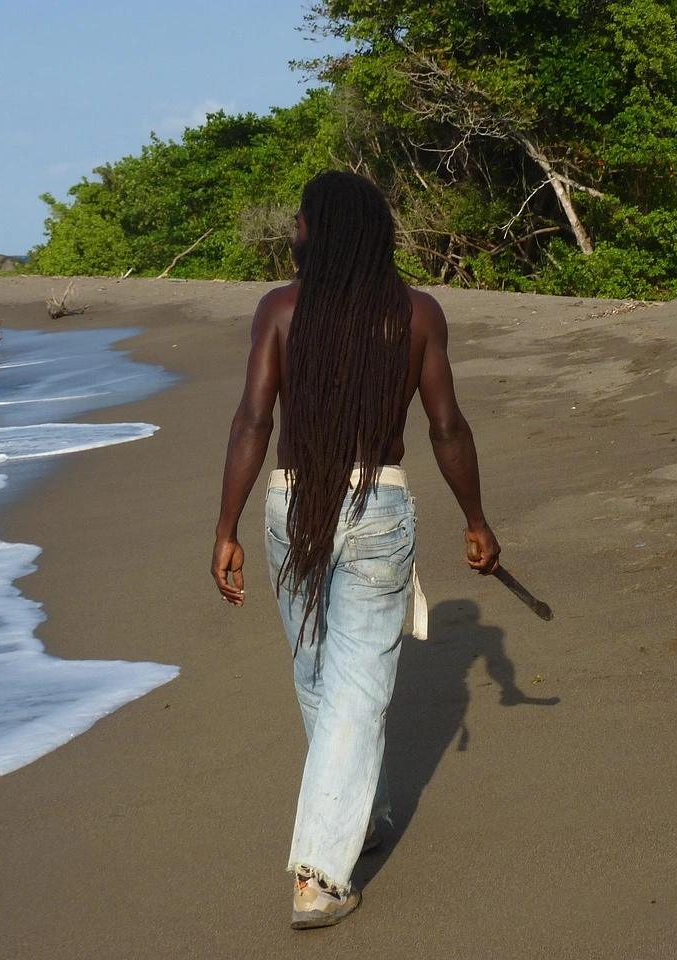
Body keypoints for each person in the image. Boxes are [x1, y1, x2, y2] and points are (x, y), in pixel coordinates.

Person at [211, 171, 500, 930]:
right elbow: (448, 427)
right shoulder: (415, 314)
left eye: (299, 221)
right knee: (340, 683)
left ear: (320, 230)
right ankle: (348, 819)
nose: (293, 232)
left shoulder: (280, 310)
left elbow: (252, 422)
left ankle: (318, 874)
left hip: (293, 501)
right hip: (378, 505)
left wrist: (227, 527)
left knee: (329, 678)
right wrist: (475, 519)